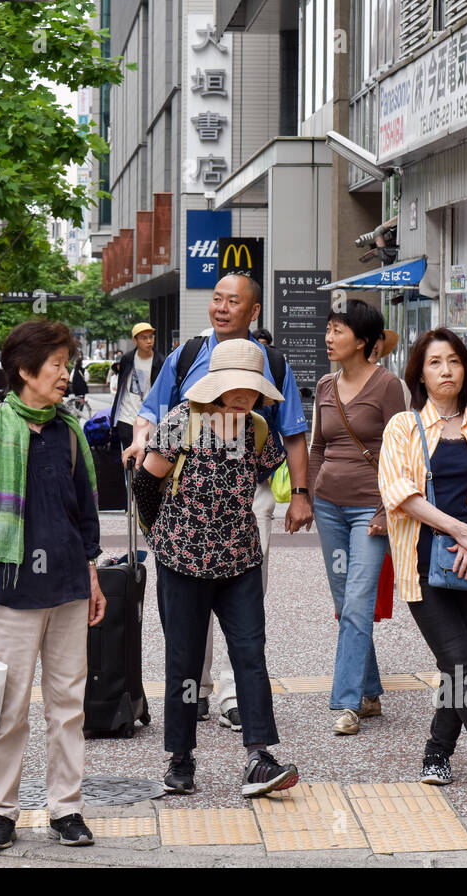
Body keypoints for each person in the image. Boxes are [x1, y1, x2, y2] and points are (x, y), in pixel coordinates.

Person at [121, 273, 313, 731]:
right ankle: (198, 691)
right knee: (189, 611)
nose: (222, 307)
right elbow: (152, 412)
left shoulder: (273, 363)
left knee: (245, 600)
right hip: (184, 498)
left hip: (250, 496)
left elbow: (292, 434)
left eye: (234, 301)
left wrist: (300, 494)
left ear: (254, 312)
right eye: (217, 299)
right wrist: (159, 523)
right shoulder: (187, 355)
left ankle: (234, 693)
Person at [0, 320, 106, 851]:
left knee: (68, 704)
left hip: (67, 589)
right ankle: (0, 811)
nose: (66, 374)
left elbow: (85, 517)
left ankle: (67, 809)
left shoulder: (70, 433)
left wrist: (93, 576)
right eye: (57, 365)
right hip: (10, 591)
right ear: (24, 371)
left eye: (67, 364)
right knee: (8, 708)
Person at [131, 339, 300, 798]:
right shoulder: (181, 423)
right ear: (217, 387)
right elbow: (146, 482)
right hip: (182, 560)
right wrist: (159, 537)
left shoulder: (258, 430)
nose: (245, 395)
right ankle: (181, 758)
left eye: (253, 388)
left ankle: (259, 757)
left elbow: (271, 474)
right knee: (184, 662)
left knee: (251, 654)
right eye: (237, 387)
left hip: (240, 558)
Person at [379, 328, 467, 793]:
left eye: (455, 362)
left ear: (466, 371)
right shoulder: (404, 427)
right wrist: (459, 530)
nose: (446, 370)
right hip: (425, 565)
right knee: (461, 660)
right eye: (435, 362)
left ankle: (437, 753)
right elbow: (400, 493)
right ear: (420, 372)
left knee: (455, 665)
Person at [309, 300, 406, 735]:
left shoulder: (388, 386)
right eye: (328, 329)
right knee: (343, 602)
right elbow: (316, 448)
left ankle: (346, 703)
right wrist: (309, 495)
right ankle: (369, 693)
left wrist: (388, 509)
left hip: (371, 507)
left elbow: (399, 453)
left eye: (338, 330)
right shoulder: (325, 386)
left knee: (359, 599)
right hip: (329, 504)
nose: (329, 337)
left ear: (363, 340)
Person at [109, 321, 165, 450]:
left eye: (151, 337)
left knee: (146, 459)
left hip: (149, 418)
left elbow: (163, 393)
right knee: (130, 459)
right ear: (135, 340)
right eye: (144, 338)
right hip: (127, 417)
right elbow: (122, 387)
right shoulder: (127, 359)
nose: (149, 341)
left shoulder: (161, 361)